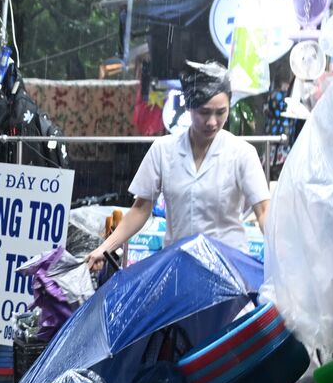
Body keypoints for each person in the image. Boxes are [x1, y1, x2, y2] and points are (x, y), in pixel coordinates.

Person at [89, 61, 271, 271]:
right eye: (204, 112)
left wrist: (285, 257)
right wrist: (105, 249)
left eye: (221, 112)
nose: (212, 122)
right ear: (189, 107)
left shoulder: (242, 153)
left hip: (228, 268)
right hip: (179, 265)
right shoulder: (163, 150)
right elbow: (140, 209)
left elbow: (264, 211)